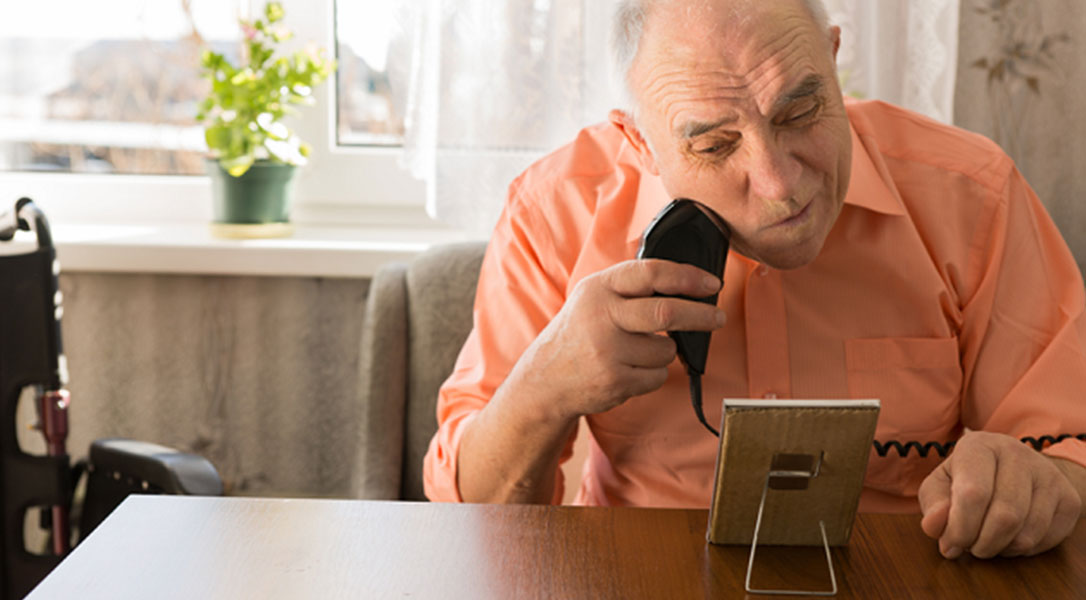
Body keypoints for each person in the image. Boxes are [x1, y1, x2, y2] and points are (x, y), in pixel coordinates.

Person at [423, 0, 1086, 560]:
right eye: (714, 145)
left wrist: (1036, 482)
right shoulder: (552, 211)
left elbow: (1067, 447)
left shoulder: (973, 195)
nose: (779, 184)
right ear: (641, 142)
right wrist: (547, 381)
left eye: (799, 113)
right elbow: (466, 514)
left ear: (833, 60)